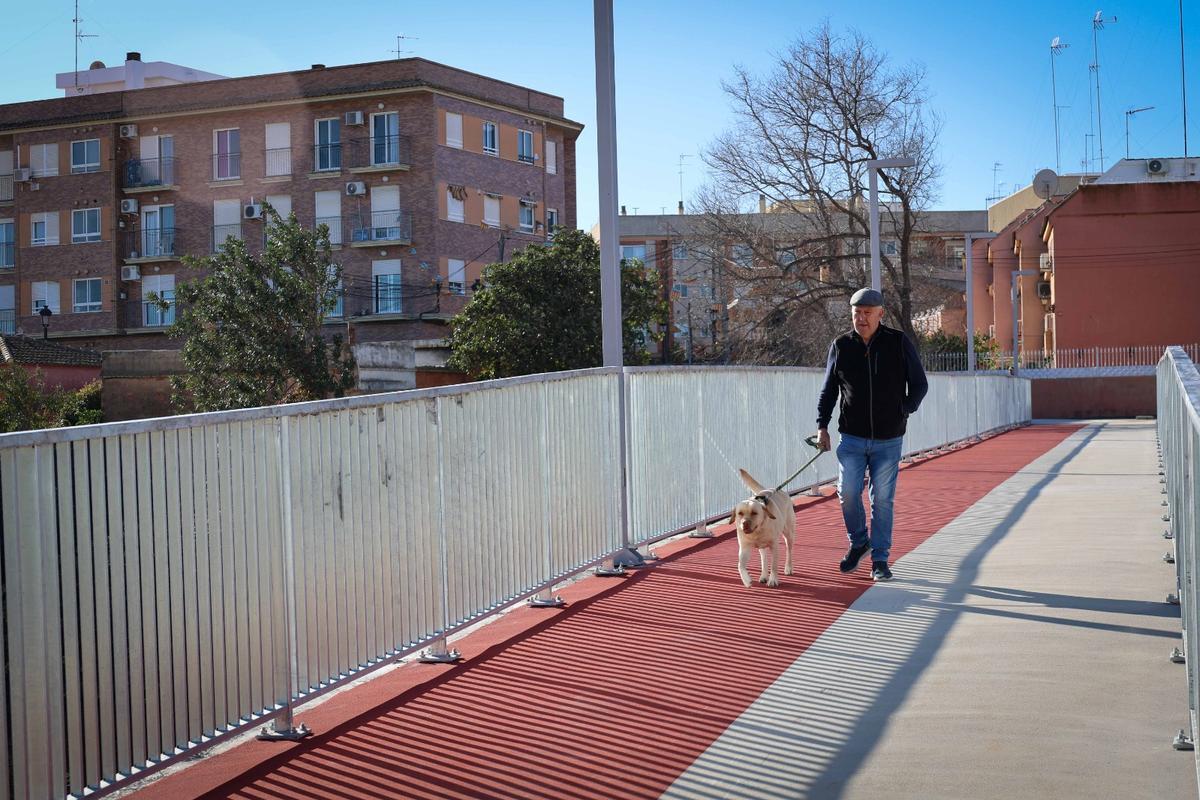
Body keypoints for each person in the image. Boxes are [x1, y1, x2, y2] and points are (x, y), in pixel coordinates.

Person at [815, 288, 928, 581]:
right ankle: (859, 541)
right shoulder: (841, 345)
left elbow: (919, 384)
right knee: (848, 493)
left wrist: (904, 408)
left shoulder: (898, 342)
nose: (861, 318)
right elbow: (828, 391)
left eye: (867, 313)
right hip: (851, 437)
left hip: (888, 439)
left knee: (883, 500)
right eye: (856, 313)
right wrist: (822, 426)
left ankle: (880, 559)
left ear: (881, 314)